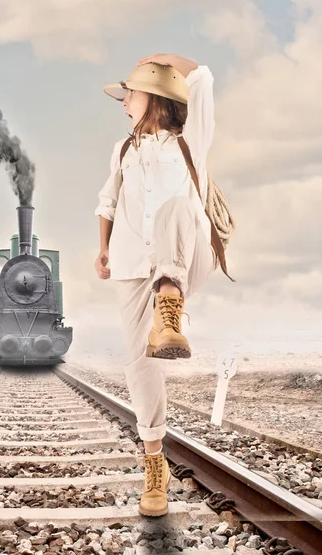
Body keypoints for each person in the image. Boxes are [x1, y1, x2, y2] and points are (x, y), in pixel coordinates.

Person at [94, 53, 218, 517]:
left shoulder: (192, 143)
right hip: (131, 263)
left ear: (156, 95)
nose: (124, 101)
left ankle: (170, 301)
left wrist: (166, 59)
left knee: (173, 211)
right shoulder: (123, 150)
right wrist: (103, 249)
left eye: (130, 92)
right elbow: (107, 201)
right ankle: (154, 464)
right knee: (139, 362)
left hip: (188, 255)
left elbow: (203, 79)